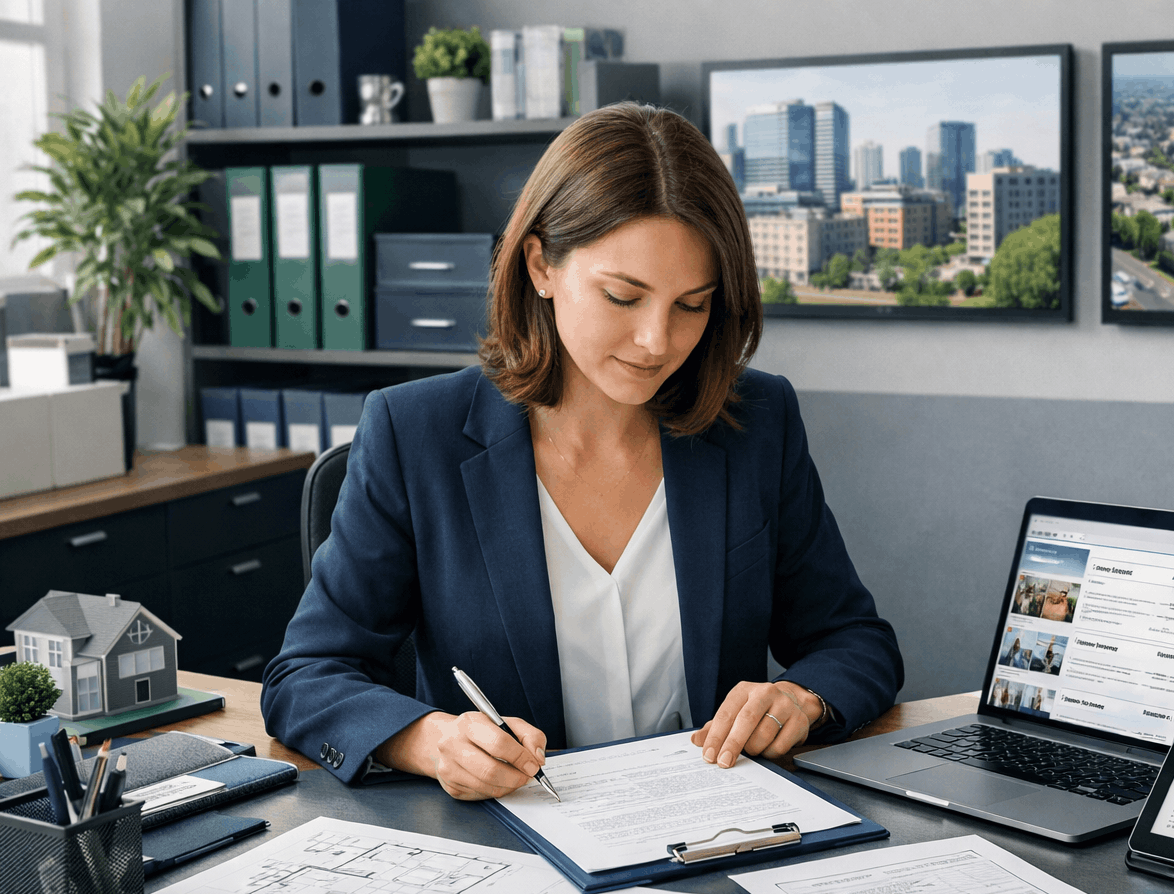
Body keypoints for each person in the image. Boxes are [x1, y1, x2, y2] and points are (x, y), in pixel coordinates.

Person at [261, 103, 903, 801]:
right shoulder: (414, 432)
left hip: (715, 828)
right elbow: (306, 675)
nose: (658, 340)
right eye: (623, 297)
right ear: (540, 264)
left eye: (692, 305)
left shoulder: (757, 421)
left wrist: (804, 698)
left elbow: (856, 642)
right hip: (512, 844)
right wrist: (429, 739)